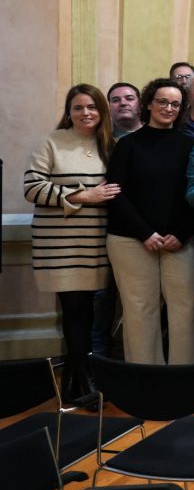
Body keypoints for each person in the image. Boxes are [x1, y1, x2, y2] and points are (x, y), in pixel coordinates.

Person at [25, 84, 118, 402]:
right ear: (69, 111)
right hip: (60, 245)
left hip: (97, 244)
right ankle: (88, 381)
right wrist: (83, 196)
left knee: (90, 315)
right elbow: (32, 188)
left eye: (92, 107)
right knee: (75, 310)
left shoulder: (111, 145)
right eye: (78, 107)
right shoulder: (52, 142)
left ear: (101, 111)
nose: (85, 113)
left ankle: (73, 383)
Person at [105, 78, 194, 364]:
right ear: (148, 104)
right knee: (139, 310)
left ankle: (183, 379)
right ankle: (144, 380)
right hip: (131, 240)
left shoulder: (191, 145)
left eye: (175, 104)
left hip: (179, 241)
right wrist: (145, 233)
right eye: (162, 102)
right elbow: (115, 194)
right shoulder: (127, 145)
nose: (168, 108)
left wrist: (180, 234)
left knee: (186, 308)